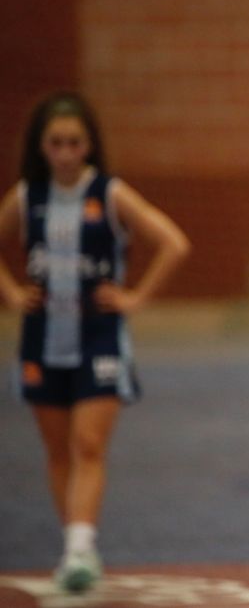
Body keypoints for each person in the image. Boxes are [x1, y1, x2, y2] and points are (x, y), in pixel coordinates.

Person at [0, 91, 191, 592]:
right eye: (56, 142)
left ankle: (79, 550)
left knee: (88, 444)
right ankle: (74, 540)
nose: (65, 152)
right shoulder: (27, 198)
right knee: (58, 449)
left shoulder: (108, 194)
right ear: (41, 146)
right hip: (42, 341)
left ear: (89, 145)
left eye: (74, 142)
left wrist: (136, 297)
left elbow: (173, 242)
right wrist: (12, 292)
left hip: (99, 339)